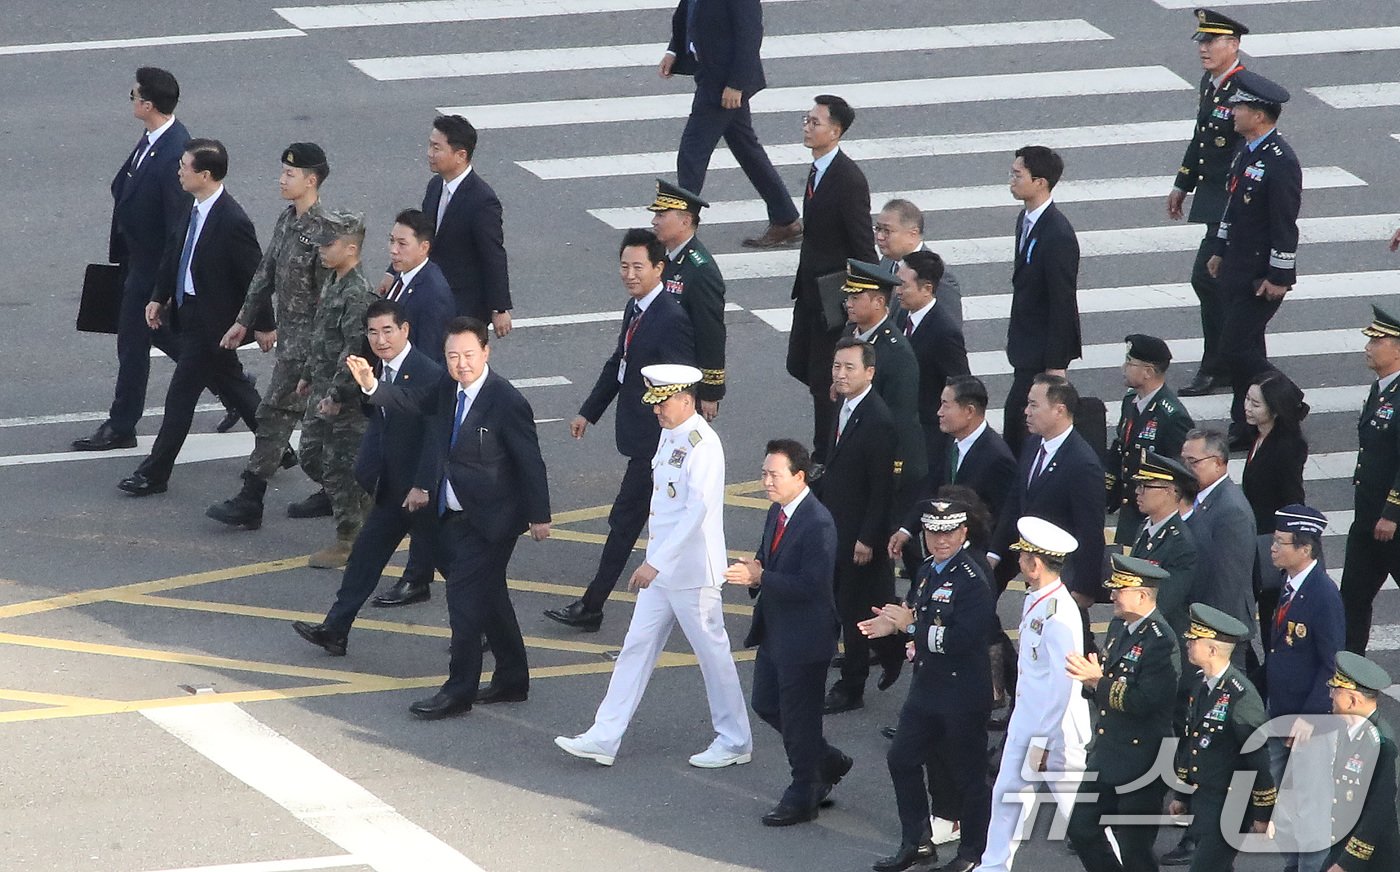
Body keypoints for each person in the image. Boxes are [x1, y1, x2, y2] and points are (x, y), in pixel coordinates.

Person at [348, 316, 551, 719]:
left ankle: (459, 690)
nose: (461, 365)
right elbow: (412, 402)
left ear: (486, 352)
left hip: (493, 519)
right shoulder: (447, 388)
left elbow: (531, 462)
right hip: (453, 515)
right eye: (453, 356)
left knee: (462, 600)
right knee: (490, 597)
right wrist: (372, 386)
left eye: (469, 355)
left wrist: (539, 515)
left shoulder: (506, 400)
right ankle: (512, 679)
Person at [556, 365, 752, 768]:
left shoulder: (703, 444)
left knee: (712, 656)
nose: (656, 411)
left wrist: (654, 563)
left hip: (691, 573)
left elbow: (696, 512)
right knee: (636, 648)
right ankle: (605, 736)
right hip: (662, 570)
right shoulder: (671, 433)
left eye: (662, 403)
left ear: (686, 399)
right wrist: (655, 561)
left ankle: (735, 740)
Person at [77, 68, 245, 451]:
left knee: (133, 344)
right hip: (136, 259)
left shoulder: (174, 152)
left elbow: (178, 225)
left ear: (147, 104)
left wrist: (163, 286)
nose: (131, 99)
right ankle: (232, 387)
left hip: (151, 268)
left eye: (133, 94)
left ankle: (122, 425)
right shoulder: (155, 138)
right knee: (167, 338)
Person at [545, 229, 696, 631]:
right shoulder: (637, 308)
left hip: (658, 441)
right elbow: (620, 363)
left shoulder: (670, 317)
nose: (629, 274)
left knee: (626, 521)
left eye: (638, 267)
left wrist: (669, 438)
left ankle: (593, 605)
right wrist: (588, 412)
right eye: (624, 266)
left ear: (659, 268)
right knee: (643, 521)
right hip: (641, 436)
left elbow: (681, 386)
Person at [291, 299, 445, 655]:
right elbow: (379, 422)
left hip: (422, 492)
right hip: (392, 489)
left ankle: (484, 628)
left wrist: (422, 484)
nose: (380, 339)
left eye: (388, 330)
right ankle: (335, 629)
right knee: (364, 558)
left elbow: (435, 436)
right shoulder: (379, 370)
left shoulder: (427, 373)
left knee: (453, 563)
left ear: (405, 330)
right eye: (373, 332)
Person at [117, 139, 262, 497]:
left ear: (206, 175)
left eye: (185, 166)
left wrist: (263, 324)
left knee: (179, 399)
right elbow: (173, 253)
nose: (179, 171)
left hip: (212, 324)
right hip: (187, 313)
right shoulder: (193, 206)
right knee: (235, 386)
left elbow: (255, 277)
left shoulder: (232, 220)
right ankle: (278, 448)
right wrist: (158, 297)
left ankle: (155, 473)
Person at [860, 499, 996, 872]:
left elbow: (965, 638)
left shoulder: (974, 576)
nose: (940, 540)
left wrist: (911, 628)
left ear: (964, 532)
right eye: (934, 532)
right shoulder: (925, 570)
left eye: (949, 531)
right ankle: (916, 842)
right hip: (927, 686)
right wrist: (895, 627)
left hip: (962, 691)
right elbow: (919, 615)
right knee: (901, 758)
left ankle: (972, 853)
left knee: (968, 776)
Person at [724, 438, 851, 826]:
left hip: (805, 637)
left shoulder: (818, 523)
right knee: (766, 703)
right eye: (763, 473)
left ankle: (803, 793)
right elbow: (769, 558)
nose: (766, 481)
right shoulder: (778, 513)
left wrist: (763, 575)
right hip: (776, 631)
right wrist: (755, 569)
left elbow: (813, 585)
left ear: (799, 476)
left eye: (773, 474)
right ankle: (827, 760)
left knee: (800, 721)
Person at [205, 143, 330, 530]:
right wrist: (245, 321)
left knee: (317, 428)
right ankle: (252, 498)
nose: (281, 179)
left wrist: (320, 356)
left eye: (290, 174)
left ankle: (342, 493)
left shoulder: (326, 232)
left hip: (314, 350)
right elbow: (265, 273)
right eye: (282, 172)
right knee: (275, 418)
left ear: (311, 180)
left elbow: (331, 300)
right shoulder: (286, 219)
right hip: (290, 347)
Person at [978, 517, 1091, 872]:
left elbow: (1063, 683)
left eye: (1024, 555)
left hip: (1054, 730)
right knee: (1008, 795)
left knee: (1077, 811)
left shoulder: (1058, 614)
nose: (1020, 560)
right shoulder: (1039, 598)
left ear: (1035, 564)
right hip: (1028, 719)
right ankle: (993, 866)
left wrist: (1042, 741)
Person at [1203, 70, 1302, 448]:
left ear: (1259, 115)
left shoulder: (1279, 161)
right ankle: (1246, 423)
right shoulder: (1246, 151)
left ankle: (1288, 400)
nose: (1232, 111)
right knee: (1248, 346)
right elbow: (1234, 206)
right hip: (1236, 269)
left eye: (1240, 106)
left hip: (1261, 275)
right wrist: (1219, 250)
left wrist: (1279, 275)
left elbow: (1284, 223)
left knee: (1235, 349)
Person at [1064, 555, 1182, 872]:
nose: (1112, 595)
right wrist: (1094, 682)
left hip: (1142, 758)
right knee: (1081, 829)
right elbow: (1110, 682)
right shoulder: (1120, 627)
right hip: (1108, 750)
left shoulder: (1161, 640)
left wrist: (1097, 682)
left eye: (1120, 589)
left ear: (1142, 596)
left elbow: (1145, 701)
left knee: (1134, 849)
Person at [661, 0, 800, 249]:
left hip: (723, 81)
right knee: (747, 150)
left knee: (692, 153)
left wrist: (737, 84)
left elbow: (749, 35)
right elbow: (688, 12)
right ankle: (785, 218)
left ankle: (680, 228)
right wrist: (674, 50)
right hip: (709, 72)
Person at [785, 95, 877, 464]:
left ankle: (828, 452)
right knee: (801, 366)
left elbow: (862, 247)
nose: (807, 127)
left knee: (827, 379)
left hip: (832, 301)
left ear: (835, 131)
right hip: (810, 293)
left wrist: (862, 304)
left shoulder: (848, 180)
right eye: (806, 120)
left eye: (815, 122)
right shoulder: (818, 170)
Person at [813, 338, 898, 714]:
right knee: (855, 605)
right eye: (836, 366)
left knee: (853, 609)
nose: (841, 374)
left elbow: (883, 487)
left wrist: (867, 538)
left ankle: (852, 685)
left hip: (859, 534)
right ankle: (889, 648)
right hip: (838, 525)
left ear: (870, 372)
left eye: (849, 368)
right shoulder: (844, 406)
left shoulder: (878, 419)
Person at [1171, 9, 1250, 399]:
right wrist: (1182, 183)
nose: (1204, 48)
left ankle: (1222, 363)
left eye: (1212, 41)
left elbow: (1246, 153)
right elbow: (1201, 137)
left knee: (1208, 278)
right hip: (1212, 195)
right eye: (1202, 41)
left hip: (1232, 201)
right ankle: (1224, 360)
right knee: (1212, 281)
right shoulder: (1211, 82)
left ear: (1233, 45)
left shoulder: (1244, 90)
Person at [293, 212, 378, 568]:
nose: (322, 251)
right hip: (323, 387)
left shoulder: (358, 293)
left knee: (338, 466)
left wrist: (338, 396)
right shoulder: (334, 280)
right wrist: (309, 374)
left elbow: (353, 350)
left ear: (352, 248)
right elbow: (323, 334)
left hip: (345, 397)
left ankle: (348, 539)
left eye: (329, 245)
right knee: (311, 455)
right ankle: (369, 507)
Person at [1263, 504, 1345, 872]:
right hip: (1279, 711)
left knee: (1310, 809)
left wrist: (1311, 716)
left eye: (1281, 542)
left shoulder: (1323, 595)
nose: (1273, 548)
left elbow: (1332, 663)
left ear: (1306, 549)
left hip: (1307, 721)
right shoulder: (1288, 585)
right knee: (1275, 799)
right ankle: (1293, 863)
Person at [1163, 603, 1275, 871]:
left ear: (1213, 650)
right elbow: (1192, 744)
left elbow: (1258, 761)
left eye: (1194, 640)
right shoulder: (1202, 687)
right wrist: (1183, 793)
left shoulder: (1241, 697)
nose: (1188, 644)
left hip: (1231, 804)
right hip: (1207, 802)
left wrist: (1263, 814)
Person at [989, 375, 1106, 610]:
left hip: (1063, 574)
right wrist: (994, 551)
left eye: (1034, 405)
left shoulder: (1082, 463)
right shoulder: (1033, 444)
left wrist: (1083, 589)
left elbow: (1090, 531)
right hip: (1033, 564)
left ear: (1059, 410)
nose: (1026, 412)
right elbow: (1016, 501)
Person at [1004, 145, 1081, 457]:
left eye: (1017, 174)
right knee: (1018, 427)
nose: (1011, 180)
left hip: (1041, 353)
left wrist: (1056, 365)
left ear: (1040, 182)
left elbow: (1063, 302)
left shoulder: (1057, 233)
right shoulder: (1026, 220)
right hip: (1025, 345)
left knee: (1023, 429)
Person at [412, 115, 511, 333]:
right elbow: (423, 235)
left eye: (436, 148)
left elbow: (493, 253)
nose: (429, 153)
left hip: (465, 305)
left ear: (460, 155)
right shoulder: (436, 186)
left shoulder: (482, 199)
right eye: (430, 145)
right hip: (434, 293)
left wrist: (499, 308)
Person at [1341, 305, 1400, 654]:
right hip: (1368, 519)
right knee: (1352, 598)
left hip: (1391, 523)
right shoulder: (1381, 389)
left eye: (1377, 340)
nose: (1368, 346)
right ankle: (1349, 671)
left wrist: (1392, 512)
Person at [841, 259, 926, 497]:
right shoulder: (849, 333)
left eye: (856, 298)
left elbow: (900, 419)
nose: (848, 304)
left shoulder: (895, 352)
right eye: (849, 297)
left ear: (879, 302)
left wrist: (893, 470)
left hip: (876, 462)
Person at [647, 179, 727, 418]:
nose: (654, 221)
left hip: (683, 384)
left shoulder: (700, 271)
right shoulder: (669, 258)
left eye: (662, 215)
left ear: (685, 221)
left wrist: (710, 391)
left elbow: (711, 333)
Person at [1241, 370, 1309, 654]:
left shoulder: (1286, 448)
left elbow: (1293, 499)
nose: (1247, 407)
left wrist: (1287, 543)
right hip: (1256, 537)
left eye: (1256, 404)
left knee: (1271, 614)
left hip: (1272, 541)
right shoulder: (1258, 437)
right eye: (1247, 399)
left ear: (1275, 410)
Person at [1106, 334, 1194, 545]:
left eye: (1130, 362)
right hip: (1131, 508)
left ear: (1148, 372)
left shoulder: (1172, 416)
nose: (1123, 367)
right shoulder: (1130, 401)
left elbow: (1180, 471)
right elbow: (1123, 447)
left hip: (1155, 514)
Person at [895, 250, 970, 478]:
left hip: (929, 435)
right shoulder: (902, 316)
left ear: (927, 289)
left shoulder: (944, 332)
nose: (897, 291)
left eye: (903, 285)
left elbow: (961, 384)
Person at [1323, 652, 1399, 872]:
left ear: (1352, 700)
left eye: (1335, 691)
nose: (1330, 697)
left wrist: (1347, 863)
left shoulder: (1382, 743)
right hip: (1342, 844)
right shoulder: (1350, 731)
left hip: (1372, 859)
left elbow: (1379, 810)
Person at [1180, 428, 1257, 642]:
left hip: (1220, 629)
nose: (1185, 468)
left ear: (1218, 462)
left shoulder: (1231, 511)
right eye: (1183, 460)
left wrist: (1210, 630)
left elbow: (1227, 582)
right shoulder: (1199, 498)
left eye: (1193, 462)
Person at [1129, 451, 1199, 640]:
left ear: (1169, 491)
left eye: (1145, 486)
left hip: (1161, 638)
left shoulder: (1181, 543)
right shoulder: (1144, 528)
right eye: (1138, 485)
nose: (1137, 492)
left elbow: (1164, 603)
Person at [380, 209, 454, 364]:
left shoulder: (434, 294)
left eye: (402, 244)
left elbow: (429, 358)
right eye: (392, 241)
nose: (393, 250)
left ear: (424, 248)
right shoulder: (402, 275)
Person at [876, 198, 963, 326]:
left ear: (913, 233)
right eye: (878, 229)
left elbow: (950, 331)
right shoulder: (887, 262)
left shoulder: (940, 277)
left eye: (887, 231)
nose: (879, 236)